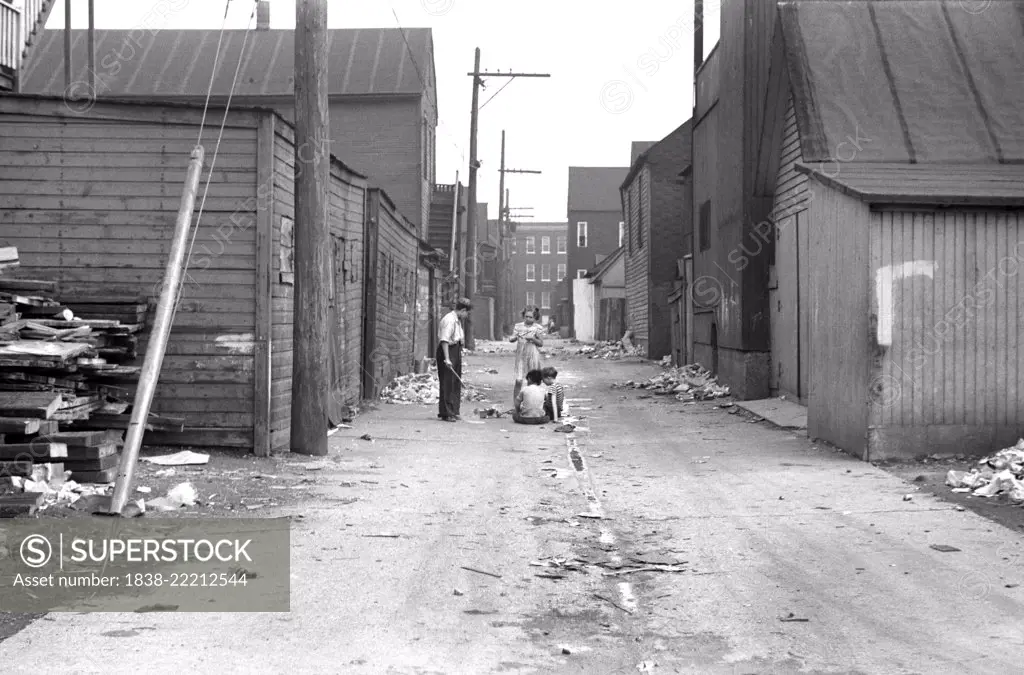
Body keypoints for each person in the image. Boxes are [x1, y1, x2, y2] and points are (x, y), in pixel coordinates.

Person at [437, 298, 472, 422]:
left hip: (455, 350)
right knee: (447, 382)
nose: (467, 316)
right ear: (462, 310)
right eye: (467, 313)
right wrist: (447, 358)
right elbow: (444, 340)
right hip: (448, 350)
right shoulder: (449, 320)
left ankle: (454, 410)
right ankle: (446, 412)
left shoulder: (457, 320)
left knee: (455, 382)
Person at [510, 305, 544, 412]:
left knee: (532, 381)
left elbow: (541, 343)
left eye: (531, 317)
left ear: (535, 318)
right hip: (521, 355)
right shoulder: (518, 326)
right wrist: (514, 337)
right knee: (519, 380)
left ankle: (531, 405)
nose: (528, 319)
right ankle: (516, 406)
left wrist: (533, 339)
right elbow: (512, 338)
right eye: (526, 316)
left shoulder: (538, 328)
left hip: (533, 355)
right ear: (523, 316)